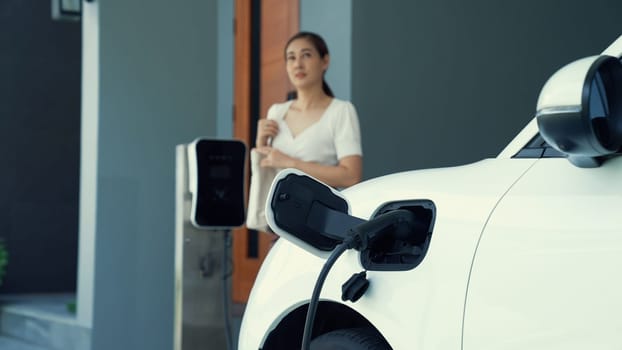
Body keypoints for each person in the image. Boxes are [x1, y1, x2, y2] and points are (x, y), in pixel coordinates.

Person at [246, 31, 362, 232]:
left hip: (318, 226)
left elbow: (351, 176)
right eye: (291, 57)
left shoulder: (341, 111)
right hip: (279, 226)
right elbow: (267, 168)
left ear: (324, 61)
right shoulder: (276, 112)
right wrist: (260, 145)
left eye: (306, 55)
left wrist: (290, 163)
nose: (297, 64)